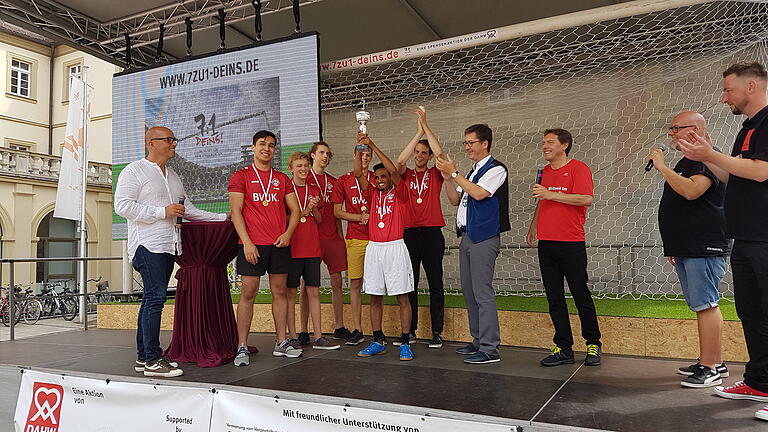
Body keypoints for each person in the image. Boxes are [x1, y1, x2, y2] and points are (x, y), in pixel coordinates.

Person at [678, 62, 768, 419]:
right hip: (745, 236)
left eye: (728, 90)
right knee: (752, 313)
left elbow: (762, 172)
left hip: (766, 236)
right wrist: (704, 154)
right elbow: (734, 176)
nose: (723, 97)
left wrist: (711, 155)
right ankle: (760, 381)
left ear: (750, 86)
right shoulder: (748, 128)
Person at [115, 126, 227, 378]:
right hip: (147, 245)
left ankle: (144, 357)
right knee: (155, 299)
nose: (174, 143)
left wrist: (223, 216)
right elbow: (122, 206)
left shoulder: (174, 176)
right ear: (151, 143)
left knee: (151, 300)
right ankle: (154, 359)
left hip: (169, 245)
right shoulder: (134, 170)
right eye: (169, 140)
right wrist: (160, 212)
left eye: (174, 139)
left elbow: (187, 210)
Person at [650, 111, 729, 388]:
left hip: (703, 244)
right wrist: (675, 245)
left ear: (694, 129)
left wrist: (661, 166)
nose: (670, 133)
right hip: (688, 246)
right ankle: (711, 360)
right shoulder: (688, 160)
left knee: (706, 304)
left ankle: (711, 368)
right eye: (670, 128)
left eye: (676, 128)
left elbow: (692, 191)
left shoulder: (707, 158)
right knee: (700, 304)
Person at [526, 128, 602, 367]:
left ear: (564, 145)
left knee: (581, 295)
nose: (544, 146)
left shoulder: (579, 169)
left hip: (571, 242)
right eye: (543, 142)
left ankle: (593, 343)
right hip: (547, 243)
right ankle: (563, 347)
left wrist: (551, 194)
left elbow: (585, 198)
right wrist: (533, 226)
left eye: (550, 142)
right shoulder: (543, 171)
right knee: (554, 297)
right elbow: (542, 199)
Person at [436, 124, 509, 364]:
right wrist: (448, 178)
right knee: (470, 291)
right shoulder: (472, 171)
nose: (467, 147)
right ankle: (478, 340)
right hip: (467, 236)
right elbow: (454, 199)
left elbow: (479, 194)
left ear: (484, 143)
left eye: (471, 142)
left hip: (484, 237)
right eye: (465, 142)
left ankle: (490, 348)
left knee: (482, 292)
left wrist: (455, 174)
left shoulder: (496, 169)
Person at [228, 130, 301, 366]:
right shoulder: (241, 176)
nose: (266, 148)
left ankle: (281, 342)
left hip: (278, 243)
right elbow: (236, 212)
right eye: (262, 144)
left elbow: (296, 210)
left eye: (271, 145)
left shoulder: (282, 178)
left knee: (279, 292)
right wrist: (247, 242)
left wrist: (288, 234)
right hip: (252, 244)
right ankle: (241, 346)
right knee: (248, 293)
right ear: (253, 147)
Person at [353, 132, 415, 361]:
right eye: (376, 177)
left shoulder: (401, 192)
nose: (379, 179)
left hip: (395, 248)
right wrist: (360, 147)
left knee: (402, 297)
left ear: (390, 177)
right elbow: (359, 173)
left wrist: (373, 144)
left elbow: (394, 170)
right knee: (375, 296)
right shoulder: (371, 193)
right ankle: (378, 339)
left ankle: (406, 341)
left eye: (383, 176)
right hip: (374, 249)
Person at [395, 109, 447, 349]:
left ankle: (437, 332)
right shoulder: (405, 176)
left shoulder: (435, 173)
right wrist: (417, 134)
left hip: (432, 232)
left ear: (428, 157)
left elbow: (441, 153)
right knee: (410, 283)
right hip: (409, 234)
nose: (419, 155)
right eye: (417, 151)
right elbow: (399, 162)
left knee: (435, 282)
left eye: (423, 153)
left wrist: (426, 127)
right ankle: (411, 330)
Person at [285, 151, 340, 350]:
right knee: (291, 293)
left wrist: (314, 208)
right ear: (291, 168)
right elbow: (282, 220)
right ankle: (292, 336)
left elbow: (318, 219)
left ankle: (318, 336)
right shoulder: (286, 189)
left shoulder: (314, 189)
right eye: (298, 166)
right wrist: (302, 212)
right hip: (292, 248)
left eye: (305, 165)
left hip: (312, 248)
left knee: (314, 291)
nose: (303, 169)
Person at [303, 141, 351, 344]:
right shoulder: (303, 179)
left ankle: (339, 326)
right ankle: (303, 330)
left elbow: (337, 212)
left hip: (332, 236)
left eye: (328, 154)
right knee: (307, 284)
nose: (325, 156)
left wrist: (340, 236)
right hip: (311, 237)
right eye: (321, 152)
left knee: (337, 281)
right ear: (312, 155)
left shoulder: (335, 181)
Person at [331, 146, 375, 346]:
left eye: (367, 155)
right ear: (354, 156)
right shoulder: (343, 180)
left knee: (376, 285)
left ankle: (378, 330)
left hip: (377, 238)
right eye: (360, 155)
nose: (364, 158)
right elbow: (337, 212)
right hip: (355, 238)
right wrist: (359, 217)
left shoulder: (377, 178)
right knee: (355, 285)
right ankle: (358, 329)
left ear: (371, 157)